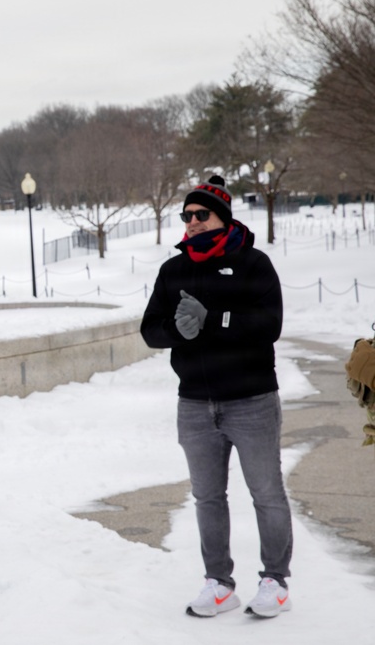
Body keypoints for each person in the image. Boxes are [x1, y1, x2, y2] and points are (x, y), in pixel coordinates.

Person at [140, 175, 292, 619]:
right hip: (195, 403)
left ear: (222, 217)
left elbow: (269, 325)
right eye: (186, 216)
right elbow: (151, 330)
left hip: (252, 400)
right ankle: (219, 582)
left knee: (266, 492)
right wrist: (176, 331)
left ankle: (275, 580)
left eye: (200, 214)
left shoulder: (253, 264)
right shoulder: (173, 270)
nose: (191, 222)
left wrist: (214, 321)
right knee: (207, 496)